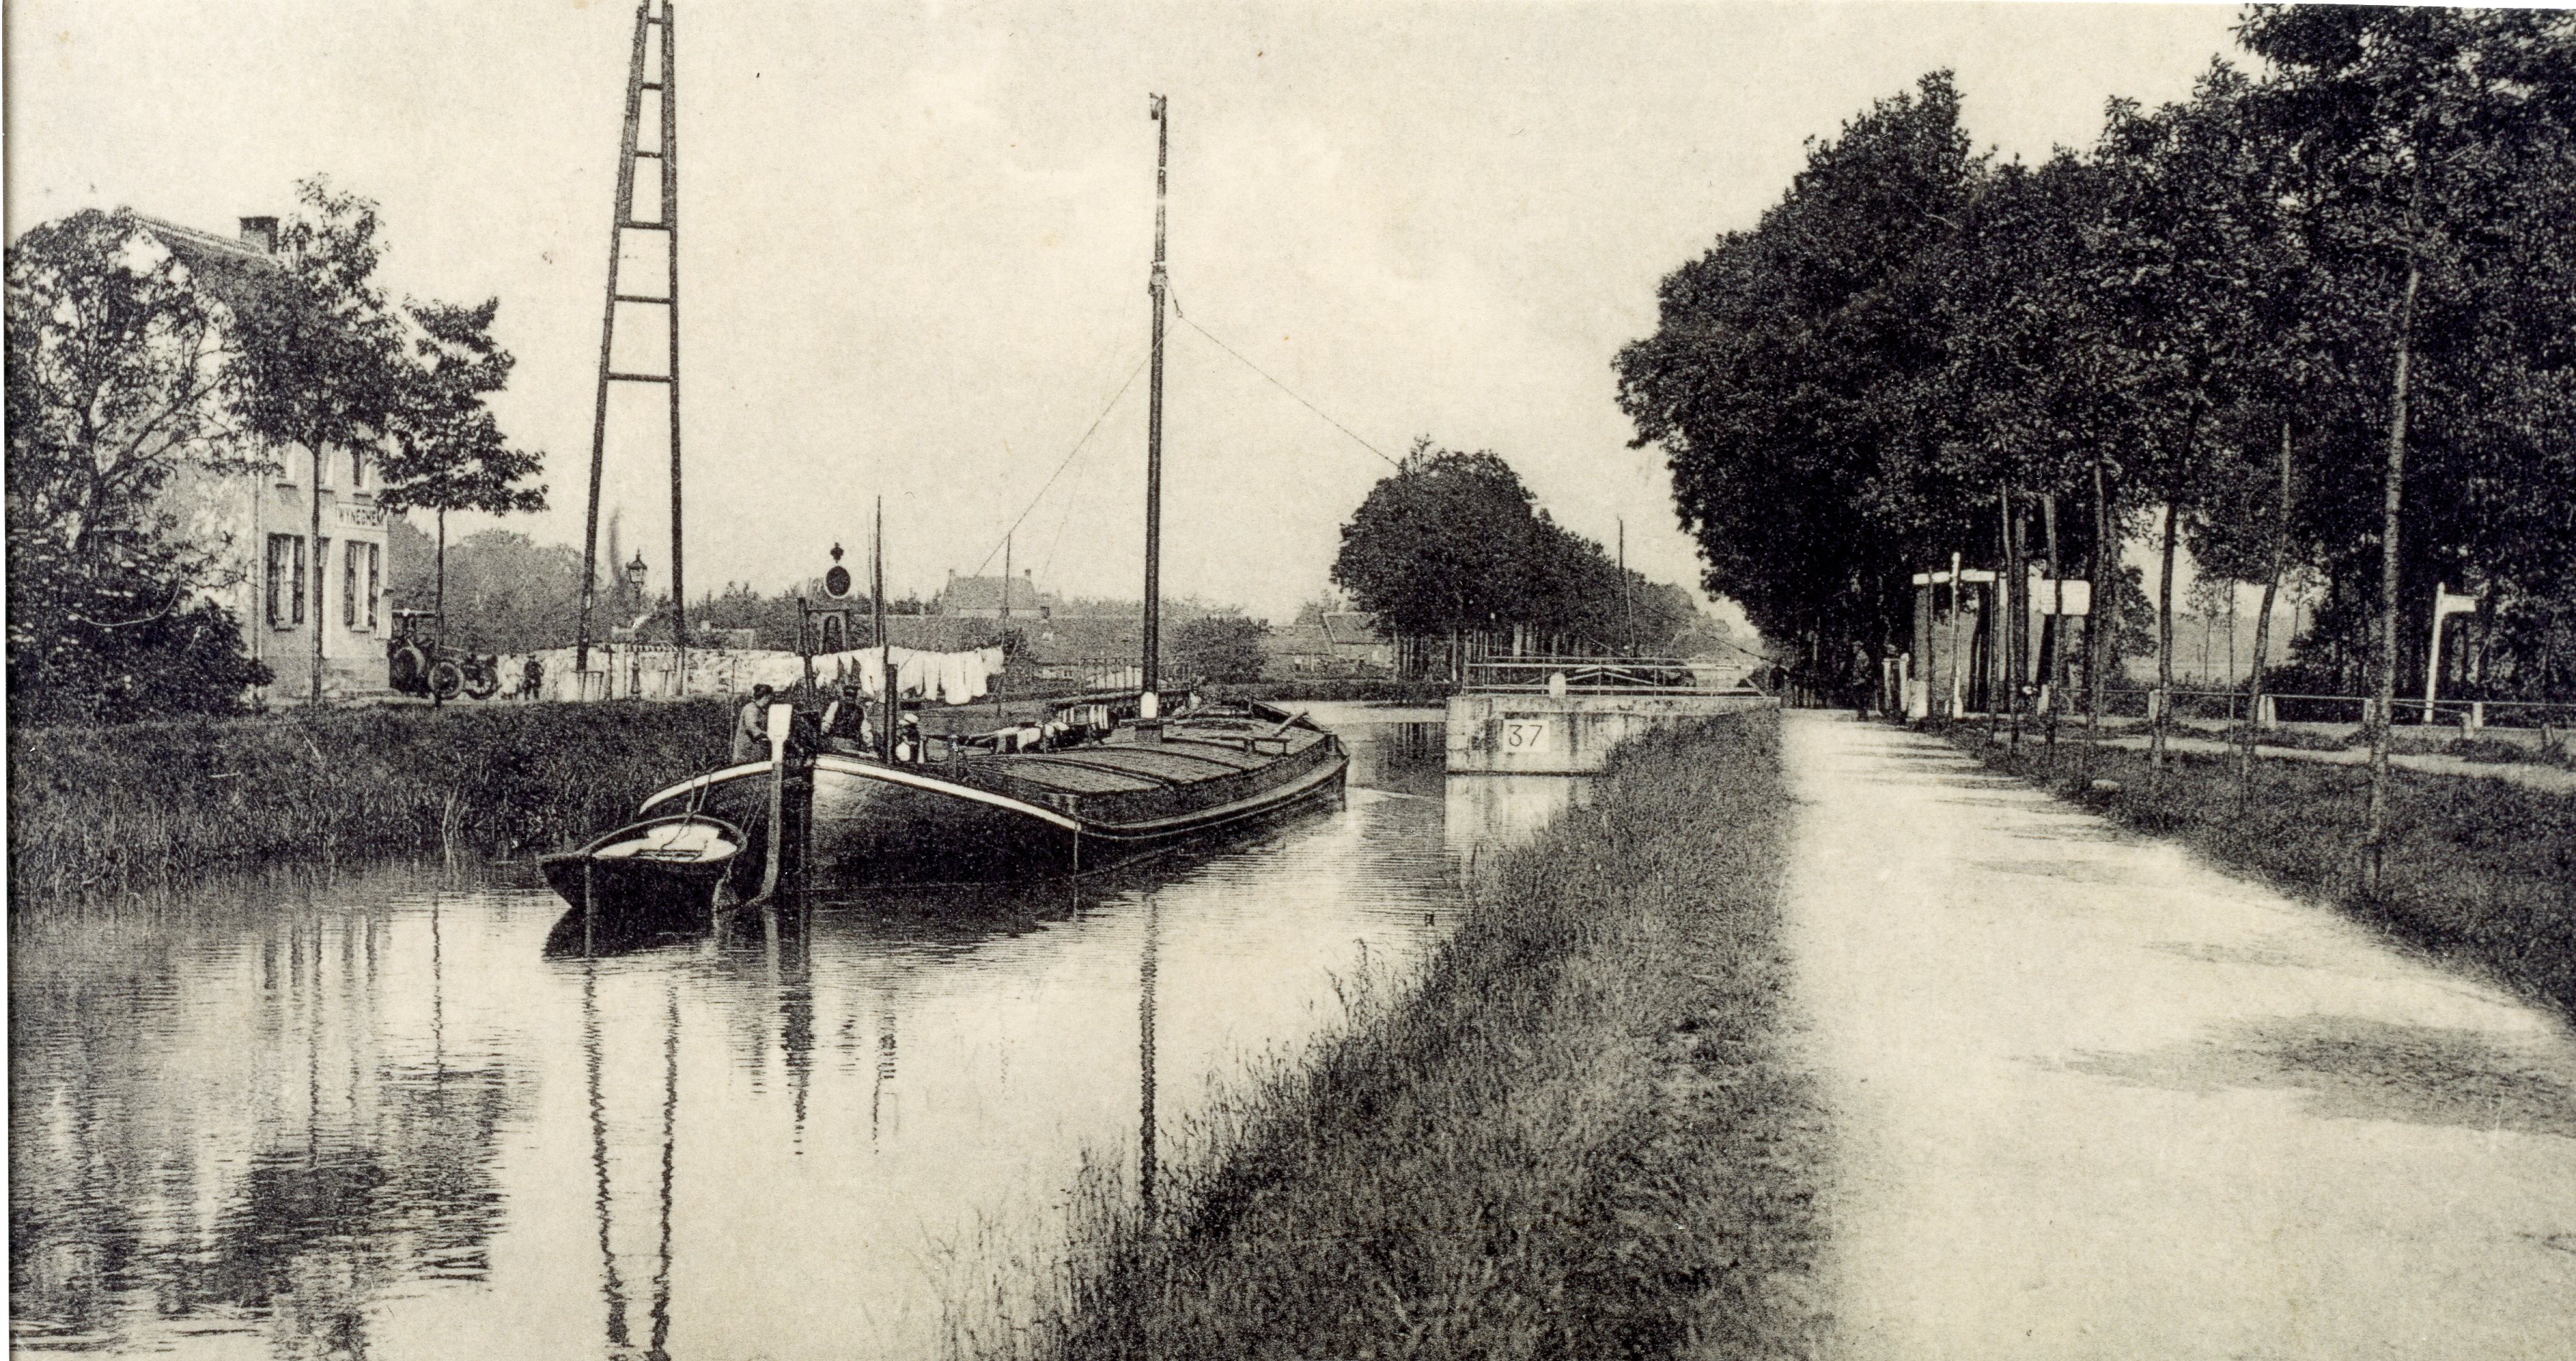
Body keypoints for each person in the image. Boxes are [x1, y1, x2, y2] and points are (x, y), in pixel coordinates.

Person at [733, 684, 775, 762]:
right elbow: (752, 729)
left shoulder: (759, 710)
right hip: (746, 754)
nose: (770, 701)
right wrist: (771, 735)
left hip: (753, 753)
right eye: (769, 698)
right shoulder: (751, 709)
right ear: (766, 697)